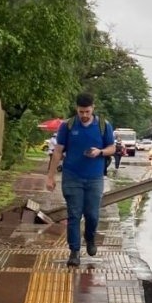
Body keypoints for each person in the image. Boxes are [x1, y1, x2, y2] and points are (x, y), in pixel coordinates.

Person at [46, 93, 115, 266]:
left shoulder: (103, 126)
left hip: (94, 178)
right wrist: (50, 176)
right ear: (76, 109)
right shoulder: (68, 126)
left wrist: (100, 152)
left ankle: (90, 238)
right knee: (74, 215)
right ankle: (74, 251)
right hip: (72, 177)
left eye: (87, 111)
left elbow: (112, 148)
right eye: (81, 111)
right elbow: (58, 151)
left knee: (92, 214)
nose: (84, 115)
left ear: (93, 108)